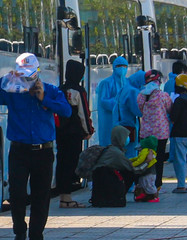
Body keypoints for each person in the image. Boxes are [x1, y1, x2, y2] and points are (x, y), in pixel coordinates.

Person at [0, 52, 70, 240]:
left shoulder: (50, 90)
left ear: (37, 73)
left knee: (41, 199)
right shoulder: (13, 91)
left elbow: (66, 111)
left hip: (44, 151)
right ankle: (19, 230)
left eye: (30, 75)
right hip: (19, 151)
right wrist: (6, 79)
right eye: (23, 75)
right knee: (17, 194)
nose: (27, 79)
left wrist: (43, 98)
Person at [55, 60, 93, 209]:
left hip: (60, 133)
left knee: (61, 162)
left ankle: (63, 197)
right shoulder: (78, 91)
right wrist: (88, 131)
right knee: (71, 164)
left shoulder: (60, 89)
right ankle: (67, 198)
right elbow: (84, 113)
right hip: (74, 134)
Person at [136, 70, 172, 190]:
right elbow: (169, 109)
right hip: (161, 133)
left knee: (146, 159)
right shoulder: (163, 96)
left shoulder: (140, 96)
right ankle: (157, 184)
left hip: (146, 133)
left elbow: (141, 111)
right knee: (159, 159)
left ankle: (144, 184)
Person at [85, 125, 135, 207]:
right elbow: (130, 168)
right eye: (126, 136)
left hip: (99, 180)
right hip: (106, 179)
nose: (128, 139)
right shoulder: (116, 153)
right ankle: (119, 195)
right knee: (130, 173)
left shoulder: (111, 149)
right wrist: (147, 163)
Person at [167, 75, 187, 193]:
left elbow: (173, 118)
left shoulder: (179, 100)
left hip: (180, 134)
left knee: (180, 161)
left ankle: (181, 186)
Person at [95, 57, 128, 146]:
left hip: (124, 121)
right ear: (114, 67)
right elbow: (103, 101)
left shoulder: (127, 82)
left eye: (124, 66)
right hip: (108, 120)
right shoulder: (106, 83)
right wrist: (119, 103)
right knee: (108, 142)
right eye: (119, 66)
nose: (122, 68)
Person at [117, 68, 143, 138]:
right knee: (129, 144)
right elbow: (138, 111)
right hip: (128, 125)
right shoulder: (132, 91)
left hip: (122, 123)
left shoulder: (127, 87)